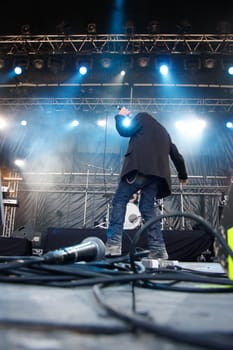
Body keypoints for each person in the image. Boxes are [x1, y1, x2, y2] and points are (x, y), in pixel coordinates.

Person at [105, 107, 188, 259]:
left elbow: (124, 131)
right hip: (157, 176)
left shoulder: (142, 117)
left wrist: (120, 116)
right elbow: (176, 155)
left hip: (139, 169)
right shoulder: (164, 132)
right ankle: (158, 249)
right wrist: (183, 174)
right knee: (148, 208)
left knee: (120, 201)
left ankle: (113, 245)